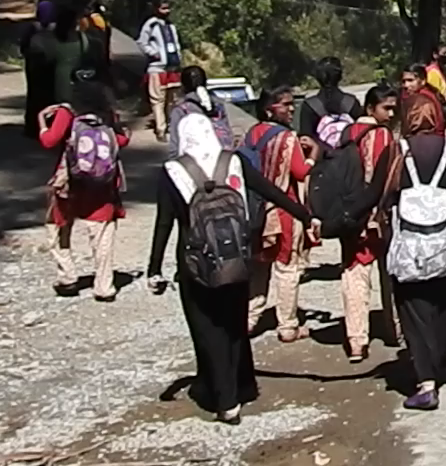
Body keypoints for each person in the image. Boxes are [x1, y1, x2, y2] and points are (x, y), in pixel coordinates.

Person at [147, 114, 318, 425]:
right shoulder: (235, 161)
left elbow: (164, 223)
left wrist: (154, 269)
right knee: (234, 324)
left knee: (207, 329)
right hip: (237, 258)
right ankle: (244, 385)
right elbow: (272, 193)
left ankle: (225, 400)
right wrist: (307, 217)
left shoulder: (172, 172)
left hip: (195, 264)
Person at [383, 90, 446, 410]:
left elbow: (378, 195)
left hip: (409, 246)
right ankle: (441, 362)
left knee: (413, 309)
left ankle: (426, 384)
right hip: (443, 243)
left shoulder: (397, 150)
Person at [38, 81, 130, 299]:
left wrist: (42, 120)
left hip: (71, 182)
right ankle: (104, 286)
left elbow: (49, 141)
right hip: (103, 185)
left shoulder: (66, 113)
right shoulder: (108, 115)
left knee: (58, 226)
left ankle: (67, 277)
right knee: (102, 235)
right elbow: (121, 140)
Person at [242, 87, 313, 342]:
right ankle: (287, 324)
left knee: (259, 266)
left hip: (256, 208)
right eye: (286, 104)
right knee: (288, 268)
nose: (291, 109)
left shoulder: (251, 134)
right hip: (284, 209)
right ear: (271, 108)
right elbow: (301, 172)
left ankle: (249, 319)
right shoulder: (287, 137)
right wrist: (313, 154)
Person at [339, 84, 403, 363]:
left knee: (354, 274)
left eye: (393, 108)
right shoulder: (383, 136)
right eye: (386, 108)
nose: (390, 113)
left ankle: (356, 340)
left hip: (349, 215)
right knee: (390, 274)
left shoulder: (346, 134)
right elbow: (386, 180)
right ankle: (396, 329)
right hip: (377, 216)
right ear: (370, 109)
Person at [26, 4, 89, 136]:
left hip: (52, 85)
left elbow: (35, 55)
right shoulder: (83, 40)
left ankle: (37, 128)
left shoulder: (45, 40)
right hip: (75, 83)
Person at [137, 0, 183, 140]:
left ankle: (170, 125)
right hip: (157, 68)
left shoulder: (171, 26)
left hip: (172, 68)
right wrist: (153, 53)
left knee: (171, 100)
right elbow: (141, 42)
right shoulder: (151, 25)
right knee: (158, 100)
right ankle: (160, 129)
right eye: (163, 8)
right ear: (157, 9)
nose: (166, 11)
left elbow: (176, 43)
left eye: (168, 8)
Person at [168, 66, 234, 154]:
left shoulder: (181, 110)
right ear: (205, 83)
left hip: (194, 162)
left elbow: (175, 144)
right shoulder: (218, 105)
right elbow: (228, 133)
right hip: (223, 158)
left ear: (183, 86)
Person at [297, 57, 359, 139]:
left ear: (317, 78)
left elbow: (306, 138)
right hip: (351, 151)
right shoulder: (352, 102)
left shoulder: (309, 106)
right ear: (340, 76)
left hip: (321, 151)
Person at [19, 2, 57, 133]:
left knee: (34, 95)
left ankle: (31, 126)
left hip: (33, 65)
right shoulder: (57, 29)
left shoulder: (32, 27)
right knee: (50, 95)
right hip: (51, 66)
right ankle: (49, 125)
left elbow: (23, 46)